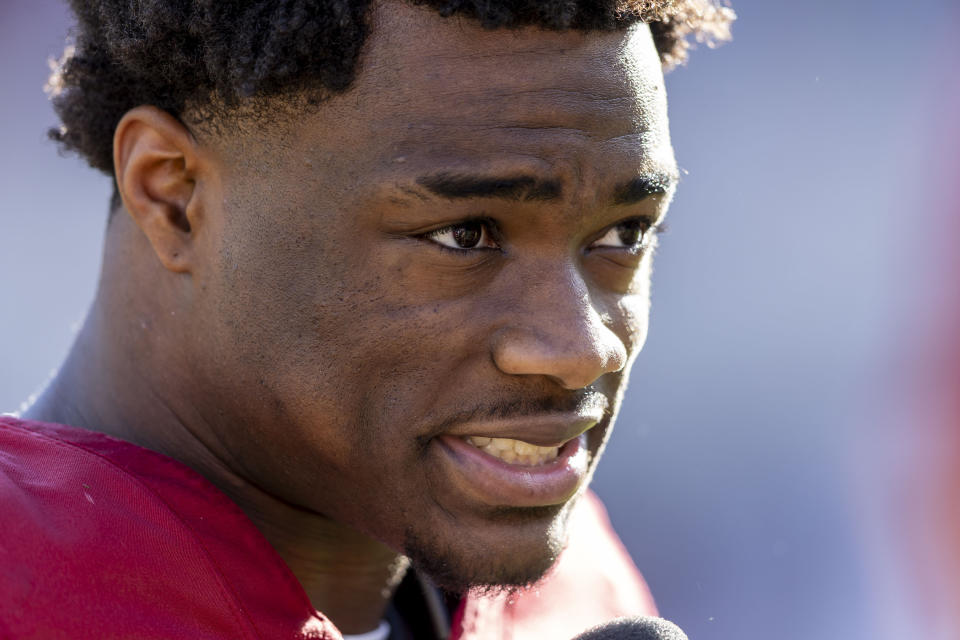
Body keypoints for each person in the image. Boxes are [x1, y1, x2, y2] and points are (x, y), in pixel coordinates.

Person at [0, 1, 733, 638]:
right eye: (464, 236)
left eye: (623, 235)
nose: (579, 350)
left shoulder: (575, 596)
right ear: (173, 197)